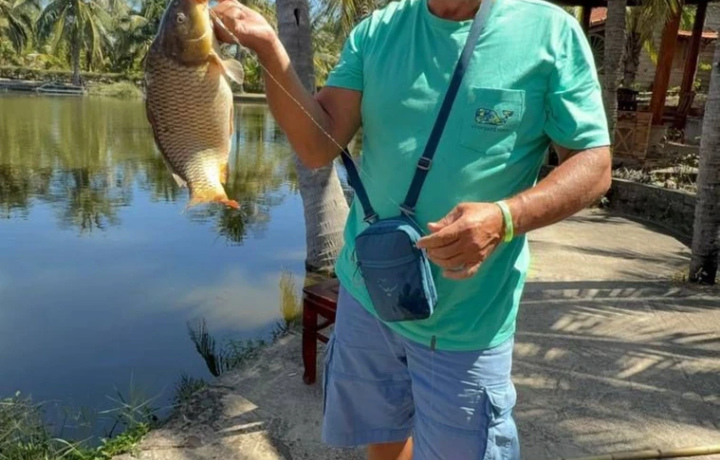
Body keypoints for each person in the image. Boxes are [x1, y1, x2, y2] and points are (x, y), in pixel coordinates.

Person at [213, 0, 612, 458]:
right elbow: (317, 145)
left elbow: (594, 163)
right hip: (369, 295)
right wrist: (268, 47)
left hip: (465, 321)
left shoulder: (549, 32)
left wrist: (505, 217)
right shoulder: (377, 31)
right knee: (383, 438)